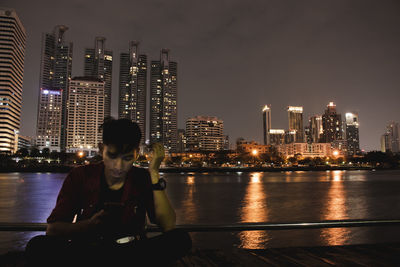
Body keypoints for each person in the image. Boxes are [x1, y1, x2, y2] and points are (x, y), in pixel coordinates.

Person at [25, 118, 192, 266]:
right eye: (112, 156)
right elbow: (53, 229)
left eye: (127, 158)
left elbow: (168, 226)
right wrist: (88, 226)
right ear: (101, 149)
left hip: (132, 252)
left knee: (181, 239)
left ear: (137, 154)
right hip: (88, 251)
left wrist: (154, 174)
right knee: (38, 246)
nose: (118, 167)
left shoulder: (142, 177)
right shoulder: (81, 175)